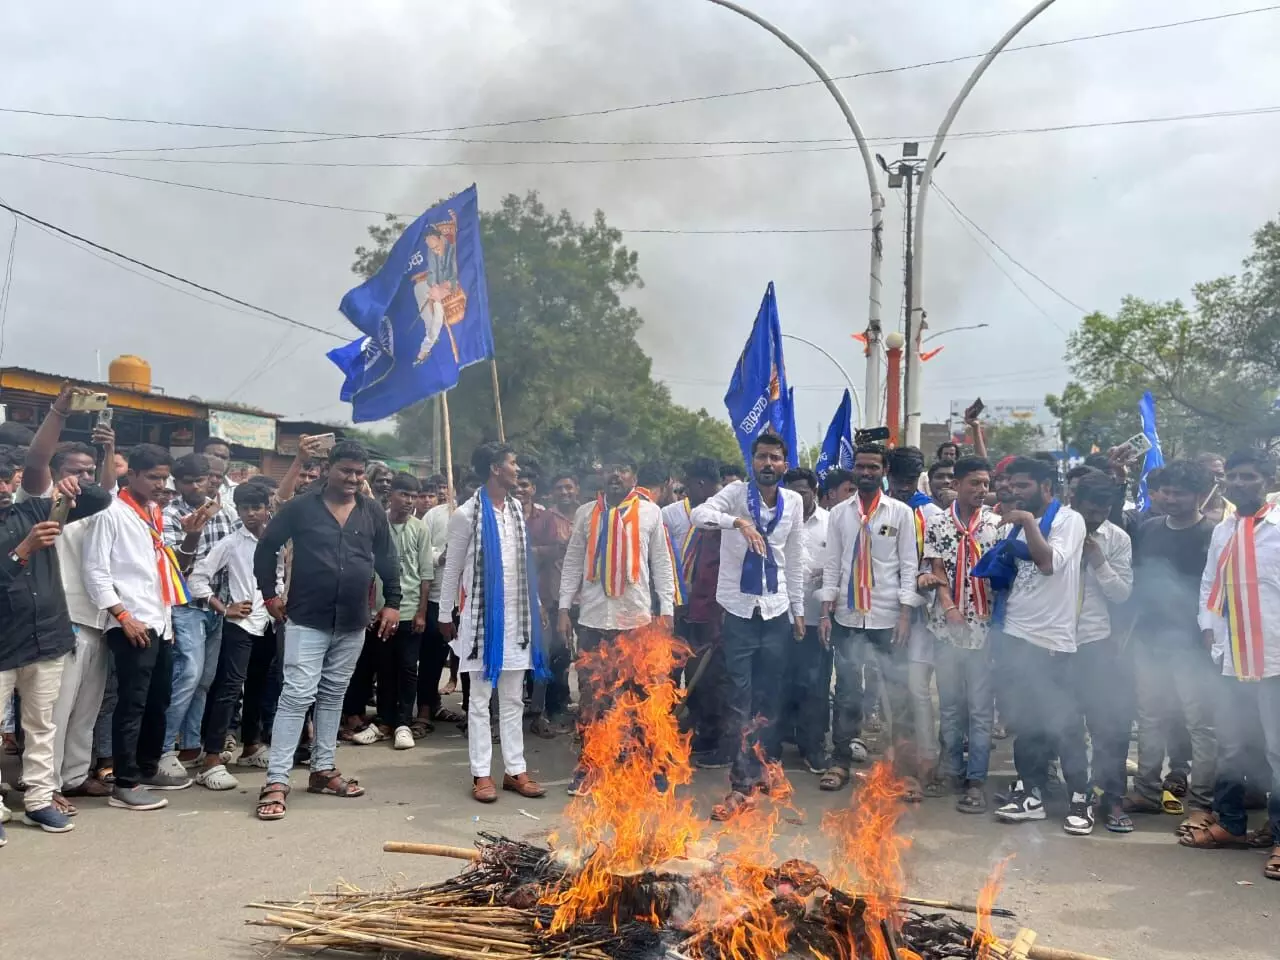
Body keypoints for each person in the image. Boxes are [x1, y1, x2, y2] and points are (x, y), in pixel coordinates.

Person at [252, 441, 401, 821]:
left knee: (333, 695)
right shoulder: (301, 507)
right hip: (306, 618)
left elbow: (388, 558)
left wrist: (393, 601)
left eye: (358, 472)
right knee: (296, 695)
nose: (353, 478)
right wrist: (269, 594)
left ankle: (323, 770)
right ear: (327, 469)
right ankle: (277, 781)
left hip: (352, 620)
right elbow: (266, 547)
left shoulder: (371, 511)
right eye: (345, 470)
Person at [0, 389, 113, 837]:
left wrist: (73, 485)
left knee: (42, 724)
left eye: (7, 480)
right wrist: (23, 550)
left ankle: (38, 800)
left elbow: (101, 497)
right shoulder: (29, 522)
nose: (3, 488)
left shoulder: (34, 507)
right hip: (2, 643)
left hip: (46, 637)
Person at [691, 434, 805, 820]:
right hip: (739, 611)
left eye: (775, 458)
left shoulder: (793, 502)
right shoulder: (736, 494)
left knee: (770, 698)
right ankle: (740, 784)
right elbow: (699, 515)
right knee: (740, 699)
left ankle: (766, 768)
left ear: (784, 465)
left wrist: (798, 609)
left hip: (776, 610)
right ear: (752, 461)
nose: (767, 464)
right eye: (761, 457)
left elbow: (794, 557)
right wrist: (737, 522)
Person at [83, 443, 195, 810]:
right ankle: (125, 782)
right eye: (153, 477)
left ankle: (147, 767)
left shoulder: (155, 512)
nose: (160, 484)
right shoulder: (110, 512)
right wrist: (123, 616)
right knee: (131, 703)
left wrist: (167, 621)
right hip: (130, 621)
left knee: (158, 699)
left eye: (164, 478)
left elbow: (161, 570)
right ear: (130, 474)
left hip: (159, 620)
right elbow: (95, 571)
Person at [1187, 449, 1280, 880]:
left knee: (1277, 749)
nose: (1239, 484)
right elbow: (1210, 581)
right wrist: (1208, 629)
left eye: (1249, 477)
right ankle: (1231, 823)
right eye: (1234, 477)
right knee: (1231, 744)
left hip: (1276, 657)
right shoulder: (1224, 529)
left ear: (1269, 480)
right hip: (1230, 655)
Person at [438, 443, 548, 804]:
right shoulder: (466, 514)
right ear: (495, 469)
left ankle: (515, 770)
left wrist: (537, 605)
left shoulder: (516, 510)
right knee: (480, 700)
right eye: (512, 463)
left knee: (514, 699)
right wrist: (444, 614)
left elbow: (523, 565)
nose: (517, 469)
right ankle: (481, 774)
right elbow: (453, 568)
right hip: (482, 620)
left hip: (518, 619)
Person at [560, 457, 676, 796]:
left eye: (623, 469)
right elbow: (572, 563)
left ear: (634, 478)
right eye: (612, 468)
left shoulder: (650, 513)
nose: (616, 474)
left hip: (635, 621)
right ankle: (590, 767)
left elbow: (662, 564)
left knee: (642, 699)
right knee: (593, 701)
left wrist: (667, 610)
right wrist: (564, 607)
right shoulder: (586, 514)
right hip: (593, 621)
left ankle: (650, 767)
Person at [987, 457, 1090, 835]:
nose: (1015, 491)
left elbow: (1047, 563)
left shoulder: (1069, 521)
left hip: (1051, 639)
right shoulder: (1014, 521)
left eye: (1024, 486)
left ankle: (1080, 798)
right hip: (1016, 634)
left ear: (1047, 487)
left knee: (1064, 723)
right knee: (1026, 722)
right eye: (1012, 485)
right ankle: (1031, 795)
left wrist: (1028, 522)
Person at [817, 444, 921, 794]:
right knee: (847, 692)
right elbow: (833, 564)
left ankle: (903, 770)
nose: (866, 472)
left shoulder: (900, 513)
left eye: (873, 467)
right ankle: (840, 761)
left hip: (888, 615)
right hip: (848, 616)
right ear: (854, 470)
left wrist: (905, 614)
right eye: (860, 466)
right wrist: (825, 611)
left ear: (884, 470)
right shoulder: (839, 513)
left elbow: (909, 565)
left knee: (898, 692)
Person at [1127, 459, 1218, 821]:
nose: (1170, 498)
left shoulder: (1212, 534)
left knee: (1200, 722)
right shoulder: (1149, 528)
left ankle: (1202, 802)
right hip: (1149, 640)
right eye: (1165, 491)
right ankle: (1147, 791)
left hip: (1193, 645)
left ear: (1199, 495)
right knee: (1150, 717)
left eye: (1179, 493)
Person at [39, 432, 119, 811]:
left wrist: (109, 449)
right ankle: (47, 782)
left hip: (98, 616)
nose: (85, 478)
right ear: (56, 472)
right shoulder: (47, 503)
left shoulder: (97, 508)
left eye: (90, 471)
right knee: (58, 708)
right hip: (64, 616)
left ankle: (73, 775)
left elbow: (108, 489)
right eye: (76, 471)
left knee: (88, 705)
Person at [924, 455, 1002, 813]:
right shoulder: (938, 523)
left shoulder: (996, 525)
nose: (982, 490)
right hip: (947, 629)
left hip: (984, 630)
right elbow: (937, 569)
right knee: (951, 705)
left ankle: (976, 779)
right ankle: (951, 770)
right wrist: (950, 608)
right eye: (975, 483)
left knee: (981, 709)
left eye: (986, 484)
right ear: (956, 485)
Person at [186, 482, 275, 791]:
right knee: (230, 689)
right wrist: (224, 608)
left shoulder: (278, 541)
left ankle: (251, 745)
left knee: (259, 686)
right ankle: (211, 758)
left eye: (256, 507)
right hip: (241, 624)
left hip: (270, 622)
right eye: (244, 508)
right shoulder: (231, 543)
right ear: (237, 510)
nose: (251, 514)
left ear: (267, 508)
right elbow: (197, 578)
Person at [1068, 468, 1134, 833]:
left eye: (1104, 511)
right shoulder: (1056, 529)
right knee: (1065, 724)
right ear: (1074, 502)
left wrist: (1099, 562)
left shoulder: (1117, 538)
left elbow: (1122, 594)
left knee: (1108, 726)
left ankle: (1112, 797)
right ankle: (1078, 795)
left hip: (1096, 642)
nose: (1096, 518)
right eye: (1090, 511)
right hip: (1057, 641)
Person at [159, 453, 235, 775]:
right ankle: (162, 749)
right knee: (188, 674)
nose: (194, 486)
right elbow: (176, 568)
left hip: (219, 605)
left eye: (199, 480)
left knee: (204, 679)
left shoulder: (223, 513)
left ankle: (191, 745)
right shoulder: (169, 515)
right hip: (186, 605)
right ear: (176, 483)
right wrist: (192, 534)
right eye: (187, 482)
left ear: (210, 479)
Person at [886, 446, 944, 800]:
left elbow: (938, 562)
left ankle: (928, 759)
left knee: (919, 690)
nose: (905, 486)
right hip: (885, 611)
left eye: (911, 479)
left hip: (924, 614)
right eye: (899, 479)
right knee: (893, 689)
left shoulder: (932, 513)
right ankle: (900, 759)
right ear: (888, 476)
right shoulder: (880, 507)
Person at [781, 467, 831, 775]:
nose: (796, 499)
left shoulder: (830, 523)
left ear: (814, 491)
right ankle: (775, 748)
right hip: (780, 617)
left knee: (814, 686)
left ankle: (813, 747)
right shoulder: (777, 520)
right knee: (778, 683)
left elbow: (838, 567)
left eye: (801, 493)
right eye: (790, 493)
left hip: (815, 618)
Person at [378, 472, 433, 749]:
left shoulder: (420, 528)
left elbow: (425, 574)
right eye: (404, 494)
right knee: (384, 667)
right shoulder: (378, 525)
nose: (409, 501)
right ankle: (385, 721)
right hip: (381, 610)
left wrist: (422, 613)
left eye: (414, 496)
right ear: (391, 495)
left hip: (411, 609)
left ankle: (403, 723)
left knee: (408, 667)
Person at [528, 471, 580, 736]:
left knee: (581, 657)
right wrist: (553, 549)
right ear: (552, 493)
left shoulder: (587, 515)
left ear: (577, 489)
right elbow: (531, 554)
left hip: (587, 599)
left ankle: (574, 709)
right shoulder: (545, 519)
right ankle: (546, 712)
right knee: (553, 655)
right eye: (559, 488)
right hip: (554, 598)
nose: (564, 492)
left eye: (569, 487)